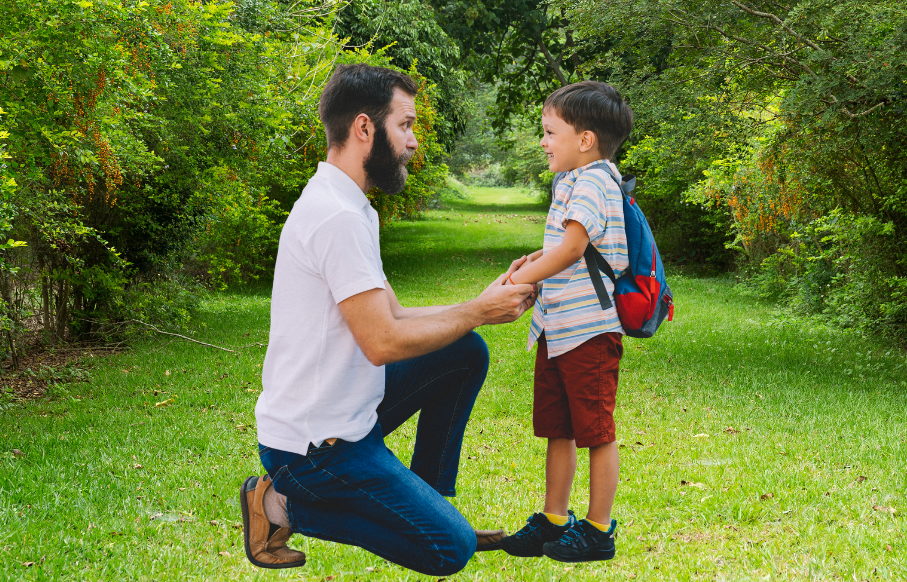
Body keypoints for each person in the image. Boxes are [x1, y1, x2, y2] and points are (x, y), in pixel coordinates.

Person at [239, 63, 536, 576]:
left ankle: (436, 499)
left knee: (464, 352)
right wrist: (478, 311)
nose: (414, 141)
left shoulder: (353, 208)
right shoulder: (336, 217)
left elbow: (392, 314)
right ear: (363, 128)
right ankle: (278, 504)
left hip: (350, 415)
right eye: (406, 125)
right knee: (449, 550)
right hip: (313, 452)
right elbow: (382, 342)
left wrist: (481, 306)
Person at [497, 81, 634, 562]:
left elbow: (575, 249)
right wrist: (533, 259)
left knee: (595, 429)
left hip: (590, 330)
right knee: (559, 426)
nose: (542, 141)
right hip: (558, 327)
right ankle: (555, 518)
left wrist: (518, 285)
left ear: (585, 139)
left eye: (550, 131)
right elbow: (567, 245)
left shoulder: (597, 179)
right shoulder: (571, 180)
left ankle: (599, 530)